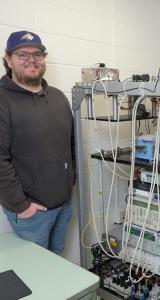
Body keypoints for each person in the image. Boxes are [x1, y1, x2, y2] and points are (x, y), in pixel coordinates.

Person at [0, 31, 75, 254]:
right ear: (7, 59)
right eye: (22, 54)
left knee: (56, 259)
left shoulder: (58, 97)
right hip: (31, 212)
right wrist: (21, 207)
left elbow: (71, 145)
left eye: (38, 54)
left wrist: (71, 183)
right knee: (36, 274)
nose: (31, 60)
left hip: (63, 205)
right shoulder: (3, 100)